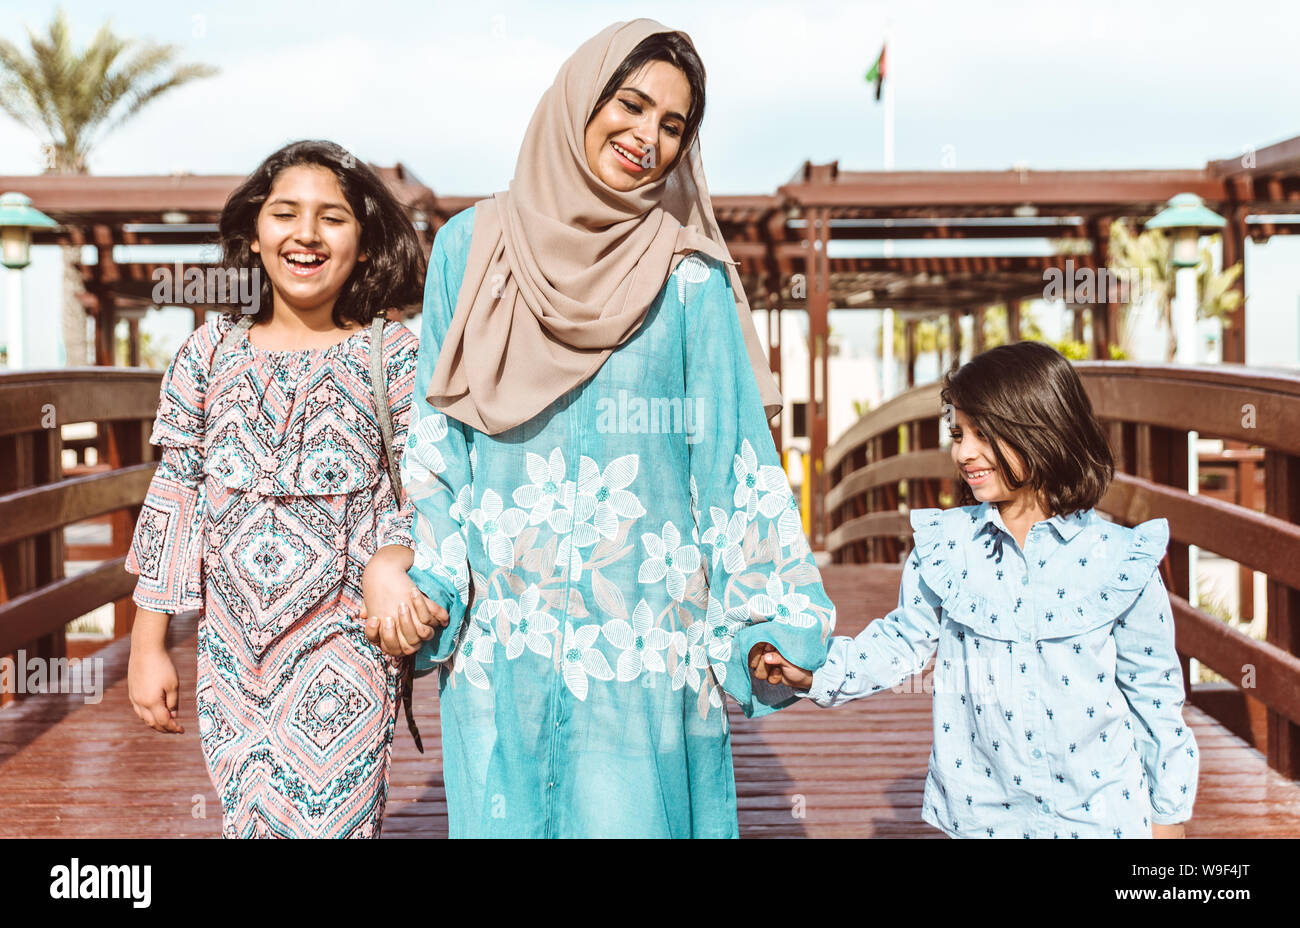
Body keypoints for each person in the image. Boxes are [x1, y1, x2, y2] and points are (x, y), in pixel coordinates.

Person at [360, 19, 834, 838]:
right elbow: (438, 442)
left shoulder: (690, 279)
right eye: (633, 104)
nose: (648, 136)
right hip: (503, 631)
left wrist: (764, 618)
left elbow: (731, 460)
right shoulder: (471, 249)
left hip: (644, 636)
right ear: (582, 97)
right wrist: (430, 582)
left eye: (673, 126)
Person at [124, 140, 443, 837]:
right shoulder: (206, 354)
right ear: (255, 235)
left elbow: (426, 490)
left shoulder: (394, 357)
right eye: (286, 214)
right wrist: (147, 646)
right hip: (231, 663)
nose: (306, 233)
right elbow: (175, 498)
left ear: (363, 243)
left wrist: (395, 560)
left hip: (346, 648)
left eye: (332, 218)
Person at [761, 341, 1199, 838]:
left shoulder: (1121, 559)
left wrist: (1168, 818)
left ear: (1043, 430)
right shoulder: (948, 547)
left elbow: (1154, 695)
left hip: (1100, 816)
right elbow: (901, 641)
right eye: (958, 433)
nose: (963, 452)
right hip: (987, 816)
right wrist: (815, 671)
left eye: (984, 434)